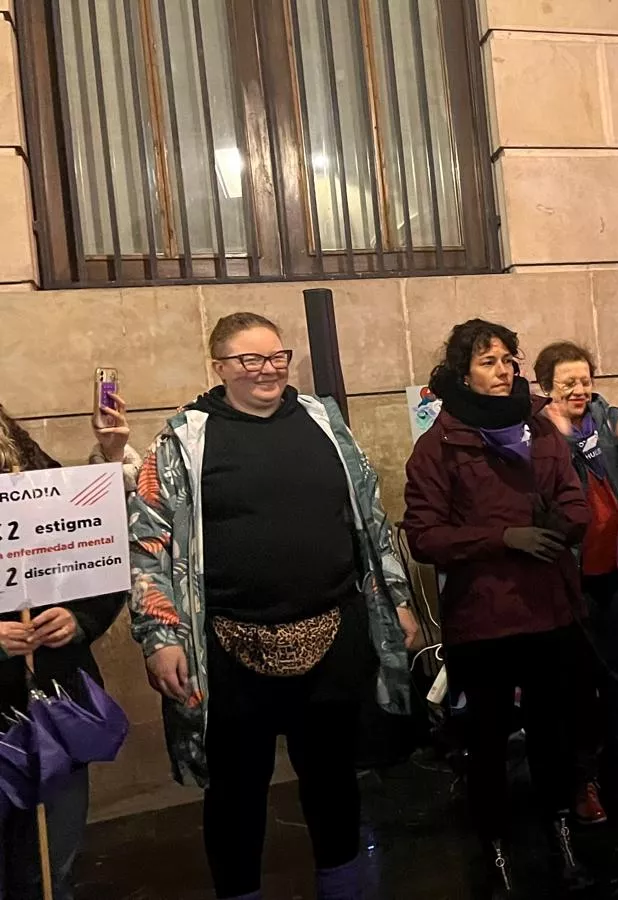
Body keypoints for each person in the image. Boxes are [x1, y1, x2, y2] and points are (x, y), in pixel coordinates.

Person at [127, 312, 420, 900]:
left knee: (334, 779)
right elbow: (148, 541)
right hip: (229, 648)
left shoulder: (324, 422)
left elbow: (370, 518)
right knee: (237, 791)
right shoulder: (184, 439)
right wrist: (160, 637)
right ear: (220, 368)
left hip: (334, 632)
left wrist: (400, 601)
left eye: (277, 357)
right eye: (250, 360)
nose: (268, 370)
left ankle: (346, 888)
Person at [402, 319, 594, 895]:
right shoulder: (440, 443)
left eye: (509, 360)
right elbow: (424, 535)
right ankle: (495, 848)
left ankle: (561, 835)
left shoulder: (539, 426)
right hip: (482, 621)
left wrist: (563, 527)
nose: (503, 371)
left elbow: (572, 496)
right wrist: (501, 539)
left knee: (554, 735)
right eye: (488, 362)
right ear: (462, 371)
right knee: (484, 741)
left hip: (549, 609)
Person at [0, 399, 131, 899]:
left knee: (50, 868)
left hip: (52, 706)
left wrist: (80, 620)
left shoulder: (27, 466)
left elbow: (97, 553)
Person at [533, 340, 618, 824]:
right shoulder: (538, 433)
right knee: (574, 685)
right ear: (546, 386)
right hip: (567, 579)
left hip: (616, 573)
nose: (578, 389)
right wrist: (565, 442)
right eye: (567, 382)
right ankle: (583, 779)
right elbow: (544, 497)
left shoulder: (609, 421)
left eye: (584, 380)